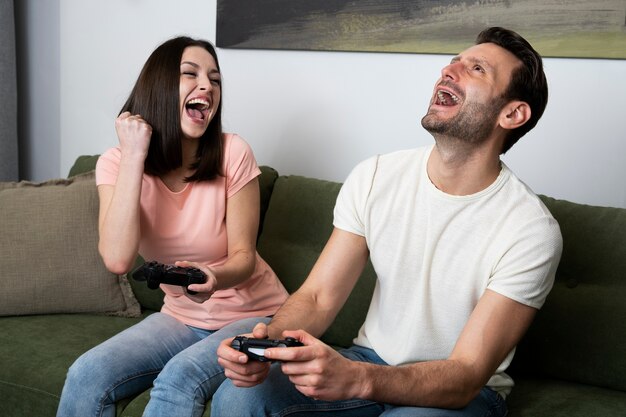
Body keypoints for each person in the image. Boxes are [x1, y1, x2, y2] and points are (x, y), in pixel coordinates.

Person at [212, 27, 563, 417]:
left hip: (462, 392)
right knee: (238, 396)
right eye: (453, 62)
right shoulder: (376, 176)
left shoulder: (531, 229)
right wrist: (269, 344)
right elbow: (317, 297)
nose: (449, 71)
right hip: (370, 357)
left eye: (476, 69)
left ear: (512, 113)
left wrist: (358, 378)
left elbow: (466, 375)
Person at [56, 36, 288, 417]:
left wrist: (212, 276)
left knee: (178, 379)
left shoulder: (233, 152)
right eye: (190, 74)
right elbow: (116, 258)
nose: (207, 87)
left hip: (257, 314)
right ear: (160, 87)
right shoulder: (116, 163)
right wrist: (134, 156)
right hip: (181, 317)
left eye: (214, 80)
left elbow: (245, 257)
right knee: (87, 374)